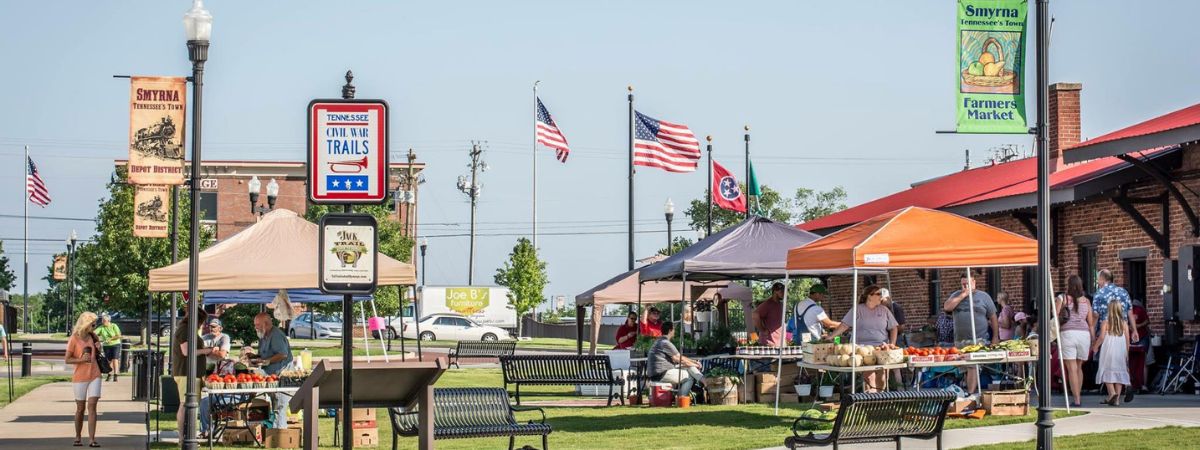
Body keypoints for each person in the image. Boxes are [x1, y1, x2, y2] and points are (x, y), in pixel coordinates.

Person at [828, 285, 898, 392]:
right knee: (869, 377)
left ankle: (880, 398)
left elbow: (893, 327)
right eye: (878, 294)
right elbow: (845, 325)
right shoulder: (857, 309)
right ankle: (871, 401)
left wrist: (892, 343)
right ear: (869, 296)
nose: (881, 296)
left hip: (882, 347)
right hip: (862, 349)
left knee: (883, 376)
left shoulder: (884, 310)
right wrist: (831, 336)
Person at [944, 274, 999, 394]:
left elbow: (993, 317)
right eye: (963, 283)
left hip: (979, 340)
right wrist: (963, 295)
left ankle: (970, 394)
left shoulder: (983, 297)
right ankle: (966, 393)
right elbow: (947, 307)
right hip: (960, 340)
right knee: (965, 368)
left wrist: (995, 336)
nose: (965, 286)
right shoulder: (956, 295)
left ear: (974, 282)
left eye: (968, 283)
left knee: (972, 365)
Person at [172, 308, 213, 435]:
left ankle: (187, 435)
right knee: (186, 405)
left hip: (192, 373)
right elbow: (186, 351)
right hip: (186, 373)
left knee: (191, 405)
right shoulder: (185, 329)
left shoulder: (188, 329)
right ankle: (184, 437)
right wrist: (205, 351)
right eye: (202, 321)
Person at [65, 312, 103, 448]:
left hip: (95, 374)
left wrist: (99, 348)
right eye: (93, 324)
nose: (95, 326)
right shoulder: (74, 339)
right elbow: (67, 359)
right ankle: (78, 437)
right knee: (80, 408)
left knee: (92, 406)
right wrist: (81, 359)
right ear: (86, 324)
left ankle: (92, 439)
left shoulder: (93, 336)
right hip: (80, 377)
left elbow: (99, 354)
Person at [249, 313, 293, 429]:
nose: (255, 327)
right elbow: (265, 355)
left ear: (266, 324)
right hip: (270, 376)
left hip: (281, 376)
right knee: (275, 405)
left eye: (257, 325)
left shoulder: (276, 335)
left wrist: (267, 361)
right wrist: (254, 356)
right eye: (255, 325)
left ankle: (279, 435)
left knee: (279, 406)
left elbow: (283, 354)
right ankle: (273, 433)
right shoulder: (264, 335)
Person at [1057, 275, 1095, 407]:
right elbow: (1090, 323)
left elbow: (1055, 317)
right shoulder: (1086, 301)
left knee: (1071, 368)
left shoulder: (1062, 298)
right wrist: (1093, 339)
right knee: (1079, 367)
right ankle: (1078, 397)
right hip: (1084, 335)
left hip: (1068, 333)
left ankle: (1077, 399)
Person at [648, 321, 705, 398]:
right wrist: (695, 364)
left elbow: (679, 357)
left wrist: (693, 362)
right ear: (670, 331)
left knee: (689, 367)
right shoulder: (665, 343)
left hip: (657, 373)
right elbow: (679, 359)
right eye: (673, 329)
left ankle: (705, 381)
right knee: (689, 377)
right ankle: (681, 397)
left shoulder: (659, 341)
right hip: (661, 374)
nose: (674, 331)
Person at [198, 318, 232, 437]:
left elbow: (222, 355)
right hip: (205, 371)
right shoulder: (205, 338)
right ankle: (205, 430)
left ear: (220, 328)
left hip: (221, 373)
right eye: (211, 326)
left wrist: (207, 351)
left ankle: (208, 429)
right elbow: (196, 352)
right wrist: (212, 350)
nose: (212, 329)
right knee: (202, 400)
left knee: (212, 398)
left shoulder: (224, 337)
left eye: (214, 327)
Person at [1093, 300, 1131, 406]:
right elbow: (1128, 339)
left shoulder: (1106, 322)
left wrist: (1095, 346)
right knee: (1119, 373)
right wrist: (1127, 353)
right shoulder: (1124, 323)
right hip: (1120, 350)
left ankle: (1112, 393)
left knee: (1106, 370)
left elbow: (1101, 337)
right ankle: (1116, 399)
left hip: (1108, 350)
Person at [1128, 299, 1151, 400]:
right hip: (1128, 337)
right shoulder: (1123, 310)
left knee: (1143, 361)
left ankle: (1143, 385)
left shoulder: (1139, 309)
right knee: (1128, 361)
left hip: (1142, 337)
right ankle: (1130, 385)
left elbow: (1147, 321)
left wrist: (1138, 326)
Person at [753, 283, 786, 347]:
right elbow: (755, 315)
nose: (784, 294)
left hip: (779, 343)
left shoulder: (780, 304)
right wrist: (763, 330)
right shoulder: (768, 304)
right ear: (775, 291)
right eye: (782, 291)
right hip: (769, 344)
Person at [95, 314, 122, 382]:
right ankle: (109, 374)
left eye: (104, 320)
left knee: (115, 359)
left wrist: (111, 339)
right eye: (102, 320)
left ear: (108, 320)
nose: (102, 321)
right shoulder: (101, 327)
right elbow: (94, 333)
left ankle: (115, 375)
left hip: (115, 344)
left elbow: (119, 335)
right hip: (106, 346)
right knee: (109, 361)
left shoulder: (114, 326)